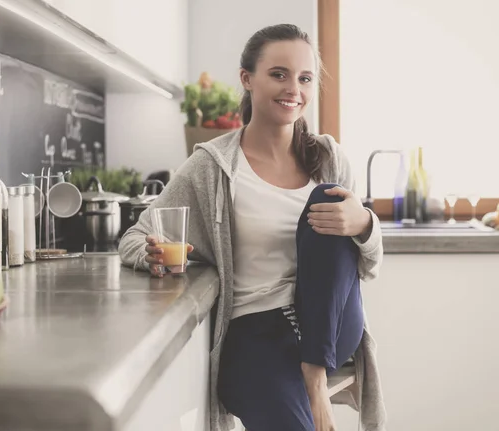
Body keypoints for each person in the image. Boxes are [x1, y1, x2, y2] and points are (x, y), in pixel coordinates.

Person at [119, 23, 386, 431]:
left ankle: (314, 379)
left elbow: (367, 265)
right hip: (256, 329)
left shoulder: (330, 159)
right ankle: (308, 384)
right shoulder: (211, 167)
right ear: (247, 79)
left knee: (329, 199)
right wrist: (152, 251)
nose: (293, 88)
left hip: (331, 324)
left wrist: (364, 222)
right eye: (278, 74)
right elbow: (136, 236)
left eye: (305, 78)